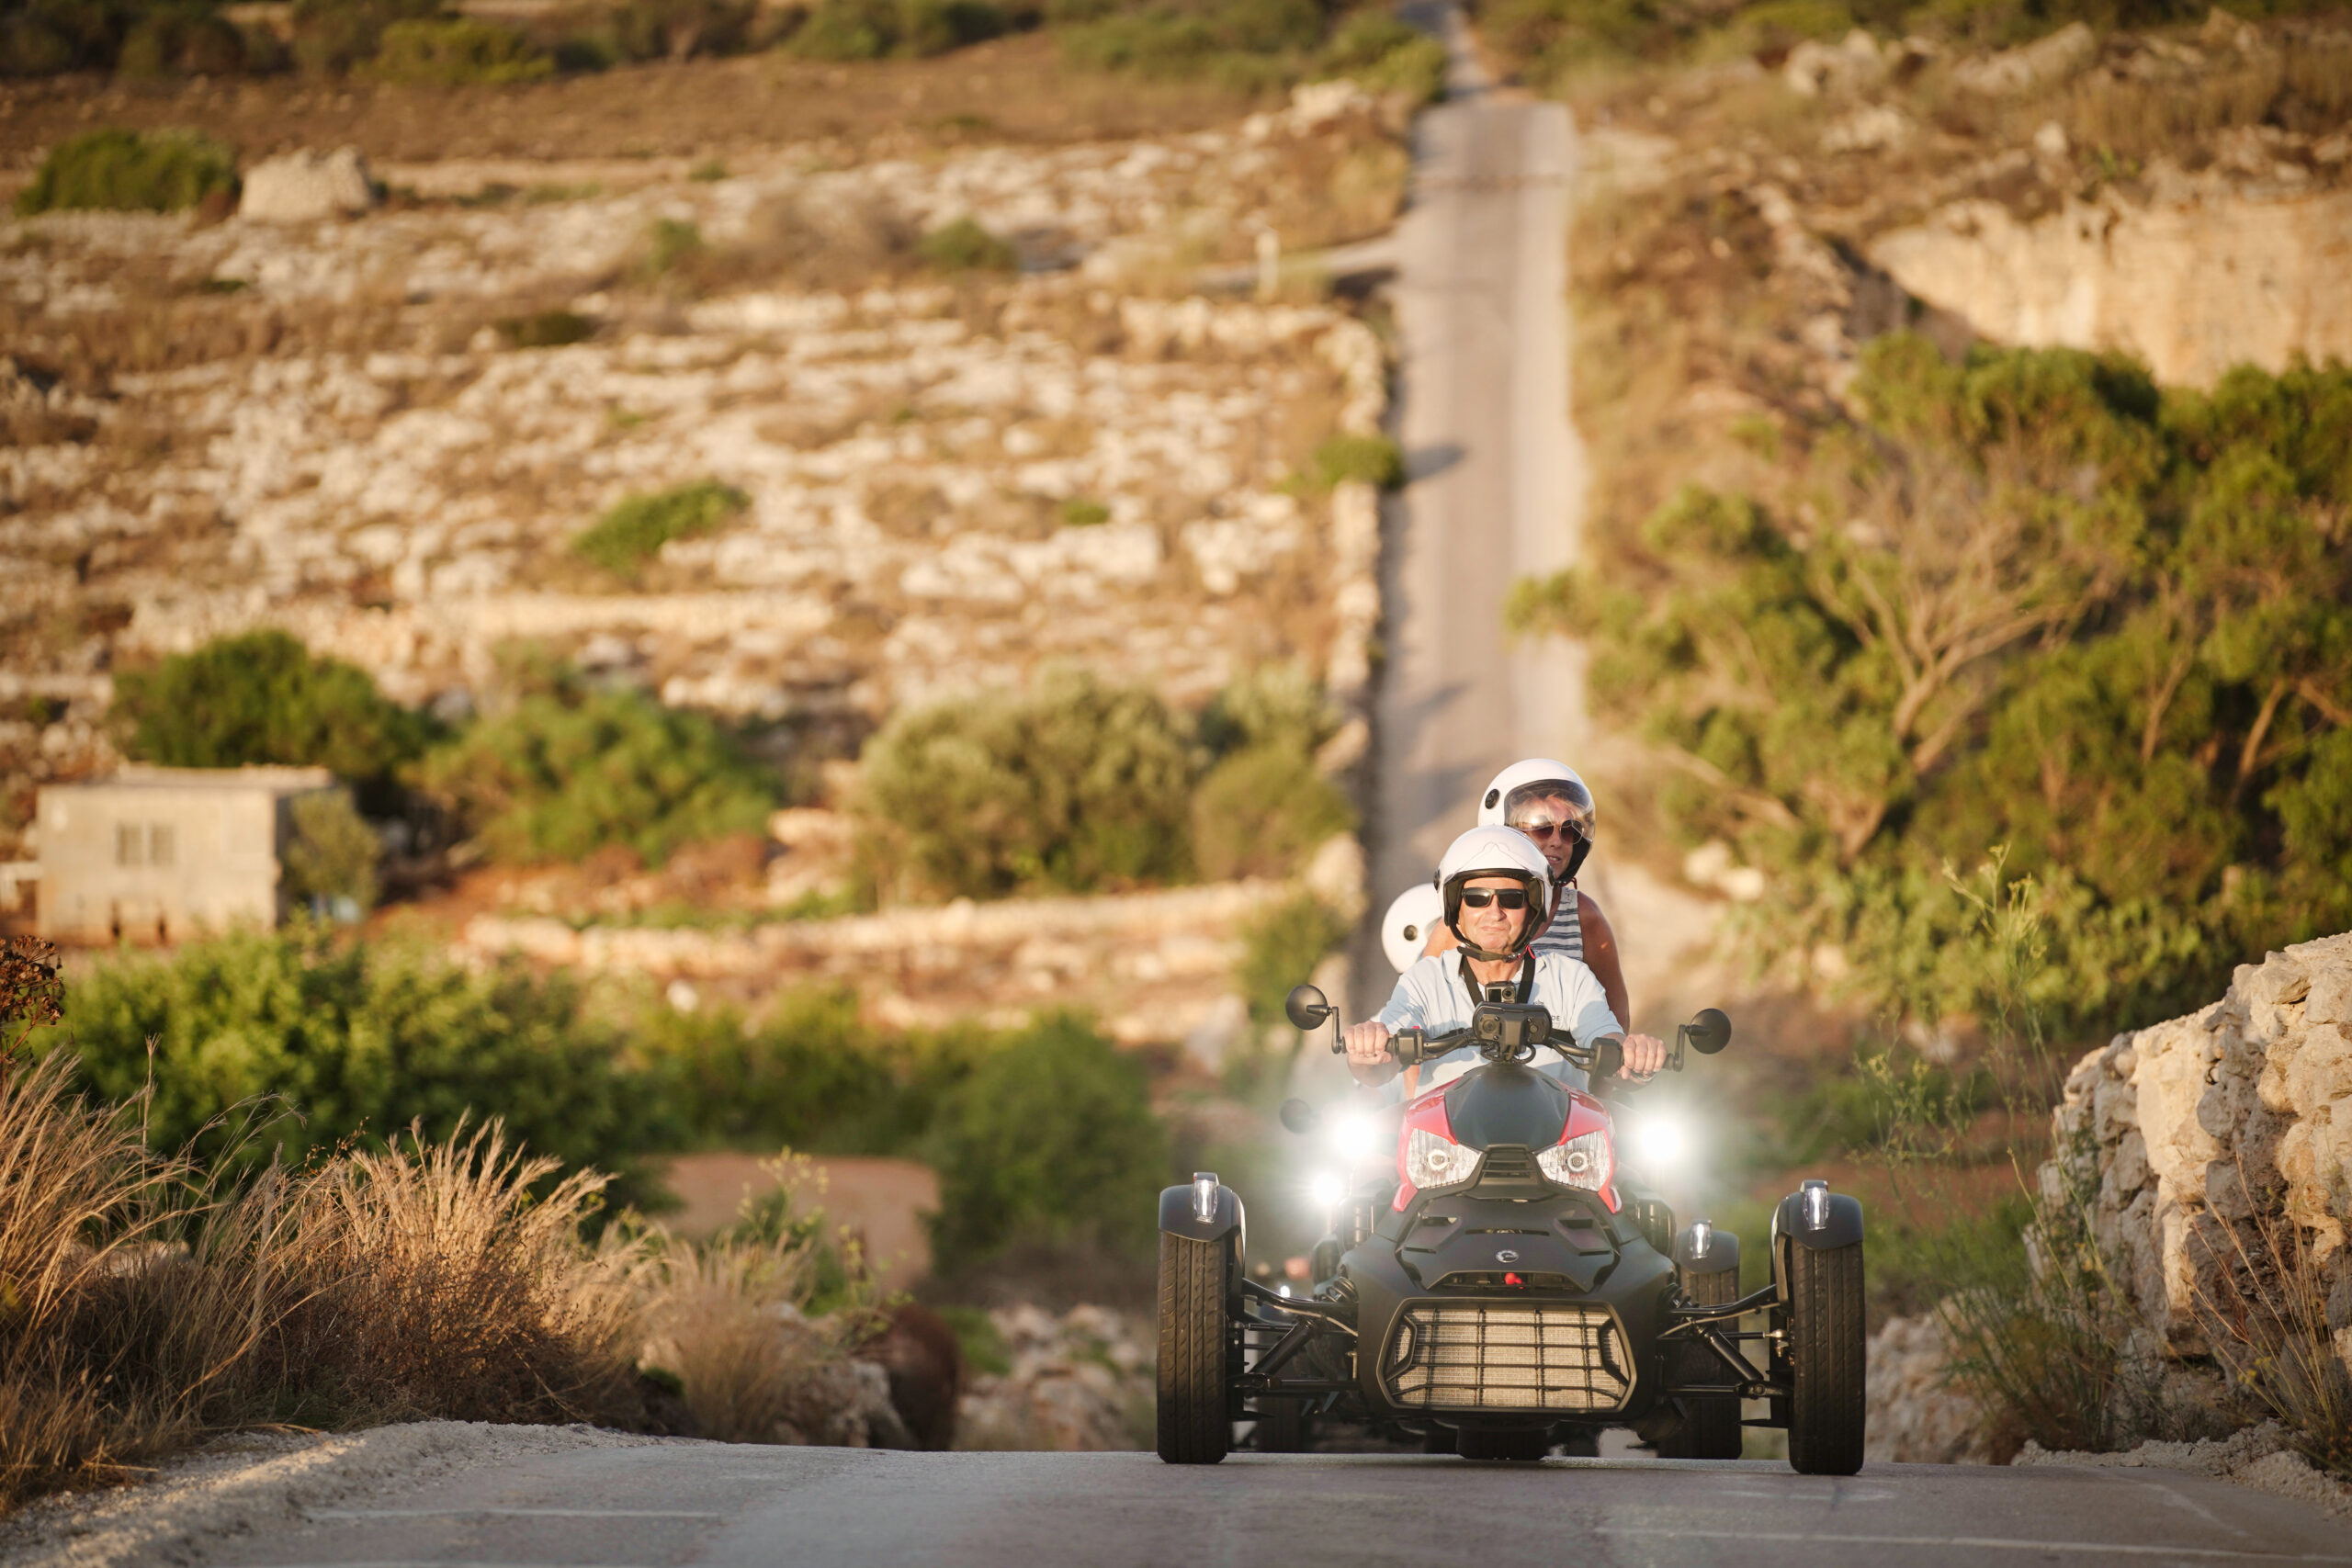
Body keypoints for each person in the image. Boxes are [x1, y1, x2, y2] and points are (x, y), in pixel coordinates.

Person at [1343, 827, 1666, 1092]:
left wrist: (1634, 1056)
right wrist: (1367, 1050)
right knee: (1371, 1171)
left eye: (1511, 899)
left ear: (1534, 907)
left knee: (1637, 1171)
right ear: (1457, 907)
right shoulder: (1425, 980)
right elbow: (1381, 1068)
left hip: (1558, 1152)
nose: (1494, 913)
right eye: (1477, 898)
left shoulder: (1571, 978)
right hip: (1446, 1155)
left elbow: (1604, 1035)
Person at [1424, 758, 1634, 1035]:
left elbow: (1616, 1020)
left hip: (1561, 1074)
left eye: (1569, 830)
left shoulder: (1584, 917)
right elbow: (1420, 1015)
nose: (1557, 840)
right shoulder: (1465, 917)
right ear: (1504, 830)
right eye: (1541, 827)